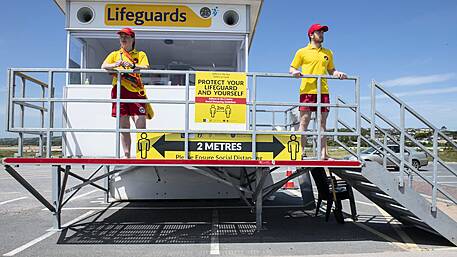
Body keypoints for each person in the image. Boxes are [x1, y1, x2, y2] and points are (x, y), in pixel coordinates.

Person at [289, 24, 347, 160]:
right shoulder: (302, 52)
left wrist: (338, 73)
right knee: (304, 122)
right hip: (307, 91)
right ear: (311, 35)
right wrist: (295, 72)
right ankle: (300, 152)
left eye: (322, 32)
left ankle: (323, 154)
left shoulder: (328, 53)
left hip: (323, 92)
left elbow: (331, 70)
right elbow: (292, 68)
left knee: (322, 124)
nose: (321, 34)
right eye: (318, 32)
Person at [102, 27, 153, 158]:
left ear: (132, 39)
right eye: (121, 36)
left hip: (136, 91)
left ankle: (142, 154)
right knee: (124, 125)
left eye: (126, 36)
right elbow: (103, 66)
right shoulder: (115, 54)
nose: (123, 39)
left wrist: (132, 66)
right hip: (119, 90)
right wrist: (115, 64)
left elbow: (146, 67)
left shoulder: (140, 54)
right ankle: (127, 155)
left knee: (140, 122)